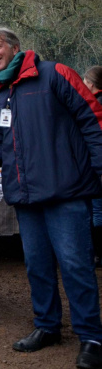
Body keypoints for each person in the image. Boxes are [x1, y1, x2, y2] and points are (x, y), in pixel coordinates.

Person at [0, 27, 102, 369]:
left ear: (16, 48)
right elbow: (1, 147)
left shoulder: (54, 74)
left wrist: (98, 172)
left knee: (76, 265)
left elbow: (93, 119)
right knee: (37, 266)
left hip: (66, 191)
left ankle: (92, 337)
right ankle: (47, 326)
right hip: (26, 197)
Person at [83, 66, 102, 267]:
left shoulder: (93, 105)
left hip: (96, 164)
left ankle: (97, 253)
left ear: (91, 83)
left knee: (96, 210)